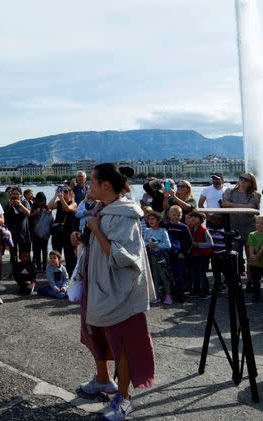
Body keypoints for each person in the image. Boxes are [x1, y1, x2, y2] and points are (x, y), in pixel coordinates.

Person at [80, 163, 155, 420]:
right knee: (106, 337)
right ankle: (108, 384)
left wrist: (95, 230)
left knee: (125, 346)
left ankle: (125, 400)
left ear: (106, 186)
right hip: (104, 287)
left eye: (92, 182)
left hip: (121, 293)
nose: (89, 187)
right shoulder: (107, 209)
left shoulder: (124, 215)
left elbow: (124, 257)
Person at [222, 173, 261, 275]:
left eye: (246, 180)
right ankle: (231, 279)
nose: (243, 181)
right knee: (232, 255)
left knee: (250, 256)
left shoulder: (256, 195)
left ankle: (250, 280)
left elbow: (252, 208)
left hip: (249, 229)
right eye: (241, 178)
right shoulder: (229, 191)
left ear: (251, 183)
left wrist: (231, 204)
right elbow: (224, 205)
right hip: (233, 228)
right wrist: (244, 206)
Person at [163, 205, 192, 303]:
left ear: (181, 215)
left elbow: (189, 242)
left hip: (180, 256)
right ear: (169, 215)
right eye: (174, 215)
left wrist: (184, 253)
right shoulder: (165, 226)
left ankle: (181, 294)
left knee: (181, 275)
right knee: (171, 274)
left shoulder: (184, 227)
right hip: (169, 255)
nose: (176, 217)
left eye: (178, 215)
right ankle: (172, 292)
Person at [143, 211, 172, 305]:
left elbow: (168, 245)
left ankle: (168, 296)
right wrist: (148, 244)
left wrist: (156, 245)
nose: (150, 221)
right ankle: (155, 295)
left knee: (164, 276)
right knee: (154, 276)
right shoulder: (147, 231)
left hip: (162, 257)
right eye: (149, 219)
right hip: (152, 257)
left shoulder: (163, 231)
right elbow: (143, 243)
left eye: (153, 219)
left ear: (158, 220)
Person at [49, 186, 78, 276]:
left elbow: (68, 209)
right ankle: (57, 275)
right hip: (57, 233)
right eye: (62, 191)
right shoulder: (58, 202)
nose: (63, 193)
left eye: (66, 191)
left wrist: (61, 198)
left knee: (69, 256)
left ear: (70, 193)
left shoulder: (73, 203)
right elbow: (49, 206)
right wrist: (55, 196)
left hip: (68, 233)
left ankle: (69, 275)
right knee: (56, 254)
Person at [185, 211, 213, 299]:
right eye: (192, 217)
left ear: (201, 220)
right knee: (193, 272)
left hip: (203, 255)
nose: (193, 219)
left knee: (201, 273)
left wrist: (198, 244)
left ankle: (206, 290)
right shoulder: (190, 228)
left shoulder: (204, 230)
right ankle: (196, 289)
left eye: (195, 217)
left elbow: (210, 243)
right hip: (194, 254)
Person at [29, 192, 51, 271]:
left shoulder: (47, 208)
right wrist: (35, 213)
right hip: (35, 232)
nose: (41, 202)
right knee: (36, 250)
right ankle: (38, 267)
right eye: (40, 200)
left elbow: (50, 220)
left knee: (45, 251)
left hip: (45, 232)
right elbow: (29, 217)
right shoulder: (33, 207)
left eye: (43, 200)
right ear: (37, 200)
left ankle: (44, 267)